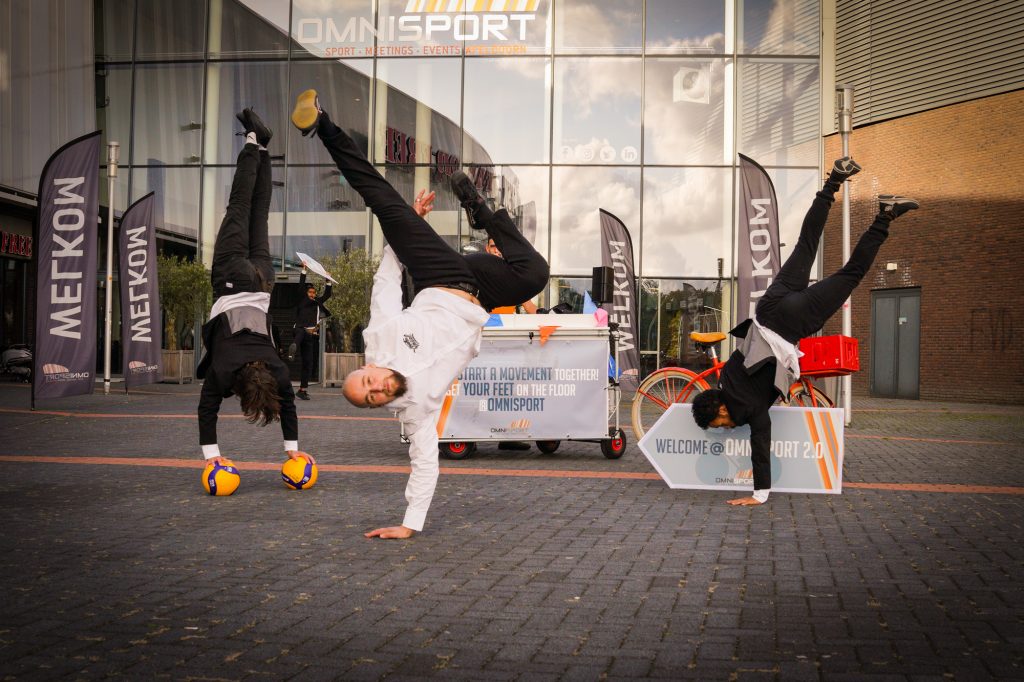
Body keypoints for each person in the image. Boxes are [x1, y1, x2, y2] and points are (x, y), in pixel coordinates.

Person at [291, 88, 549, 538]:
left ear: (368, 368)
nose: (376, 388)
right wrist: (409, 525)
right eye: (372, 397)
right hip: (480, 297)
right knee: (535, 275)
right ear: (380, 404)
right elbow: (425, 463)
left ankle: (322, 123)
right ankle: (478, 209)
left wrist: (407, 228)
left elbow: (386, 284)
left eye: (367, 382)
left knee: (383, 203)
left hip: (439, 275)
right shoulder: (416, 412)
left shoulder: (379, 338)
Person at [691, 158, 918, 505]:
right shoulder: (727, 379)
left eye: (719, 426)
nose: (726, 429)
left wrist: (759, 495)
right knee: (806, 244)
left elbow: (761, 447)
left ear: (721, 412)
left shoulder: (749, 410)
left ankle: (885, 216)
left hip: (791, 323)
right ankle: (834, 180)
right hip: (768, 308)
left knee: (851, 274)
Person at [197, 109, 315, 469]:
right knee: (240, 206)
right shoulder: (223, 371)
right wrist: (212, 457)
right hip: (232, 279)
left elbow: (289, 405)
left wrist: (293, 449)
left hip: (264, 282)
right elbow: (207, 410)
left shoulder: (278, 370)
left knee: (259, 212)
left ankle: (262, 148)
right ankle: (252, 141)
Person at [288, 265, 332, 400]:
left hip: (310, 335)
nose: (312, 294)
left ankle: (302, 390)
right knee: (301, 333)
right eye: (310, 292)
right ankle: (293, 347)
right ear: (306, 293)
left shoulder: (317, 302)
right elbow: (301, 286)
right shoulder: (303, 299)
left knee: (308, 362)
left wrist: (328, 280)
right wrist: (304, 271)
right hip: (299, 329)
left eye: (314, 293)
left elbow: (327, 294)